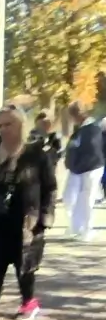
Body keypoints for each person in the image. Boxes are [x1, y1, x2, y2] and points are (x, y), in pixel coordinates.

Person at [0, 106, 56, 320]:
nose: (4, 129)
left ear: (21, 125)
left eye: (9, 124)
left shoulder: (36, 153)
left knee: (25, 268)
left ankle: (29, 301)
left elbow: (49, 187)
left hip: (27, 220)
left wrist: (45, 218)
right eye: (0, 125)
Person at [62, 102, 104, 241]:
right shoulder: (83, 129)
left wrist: (77, 164)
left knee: (87, 199)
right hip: (83, 168)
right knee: (76, 198)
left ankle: (87, 229)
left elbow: (92, 150)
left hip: (92, 167)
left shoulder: (92, 129)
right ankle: (77, 226)